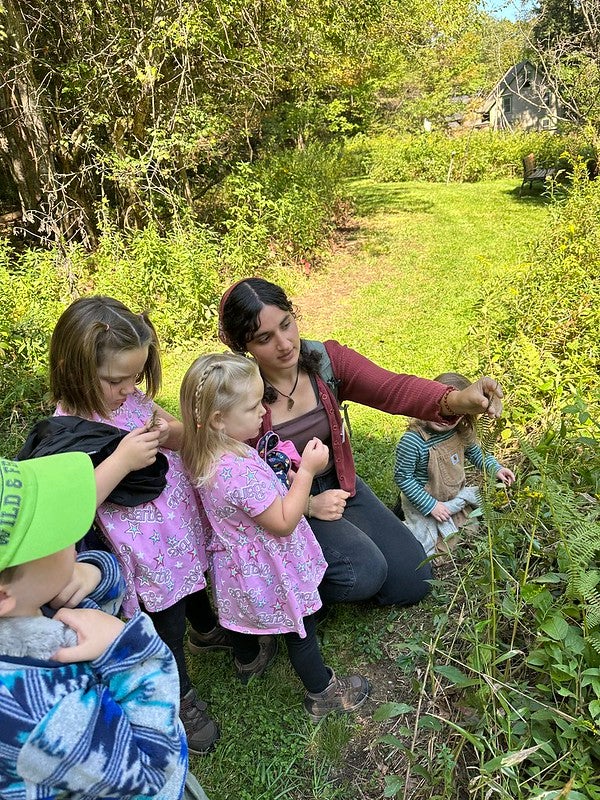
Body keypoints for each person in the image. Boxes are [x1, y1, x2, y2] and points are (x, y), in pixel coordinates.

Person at [218, 277, 506, 608]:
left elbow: (393, 389)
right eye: (265, 338)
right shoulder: (237, 392)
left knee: (414, 578)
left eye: (287, 324)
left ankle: (315, 567)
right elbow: (227, 474)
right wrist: (308, 507)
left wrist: (456, 400)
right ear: (244, 347)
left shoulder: (325, 361)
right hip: (278, 503)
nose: (284, 344)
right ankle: (283, 591)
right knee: (363, 573)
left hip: (338, 483)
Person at [47, 295, 221, 754]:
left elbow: (184, 437)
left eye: (135, 377)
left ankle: (208, 631)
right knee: (167, 621)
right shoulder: (66, 431)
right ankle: (177, 694)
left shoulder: (133, 400)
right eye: (115, 380)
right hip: (143, 553)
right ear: (74, 368)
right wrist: (122, 459)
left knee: (194, 584)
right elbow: (75, 506)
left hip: (176, 534)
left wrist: (171, 433)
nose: (128, 389)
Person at [0, 450, 208, 800]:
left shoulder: (28, 603)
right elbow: (155, 779)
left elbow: (87, 595)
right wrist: (130, 653)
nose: (73, 535)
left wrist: (92, 570)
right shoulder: (39, 712)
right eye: (55, 535)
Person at [179, 353, 370, 722]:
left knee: (238, 615)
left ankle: (248, 660)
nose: (263, 410)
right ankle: (323, 692)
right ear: (219, 419)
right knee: (301, 627)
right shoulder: (238, 473)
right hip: (271, 565)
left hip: (237, 566)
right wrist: (308, 473)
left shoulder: (206, 453)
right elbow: (283, 520)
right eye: (253, 406)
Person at [394, 372, 516, 557]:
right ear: (424, 403)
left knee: (470, 532)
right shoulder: (413, 441)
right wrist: (431, 506)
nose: (442, 418)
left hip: (452, 497)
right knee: (427, 549)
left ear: (464, 415)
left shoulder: (459, 432)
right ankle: (395, 530)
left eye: (452, 414)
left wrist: (496, 468)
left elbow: (478, 454)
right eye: (437, 409)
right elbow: (403, 477)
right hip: (423, 503)